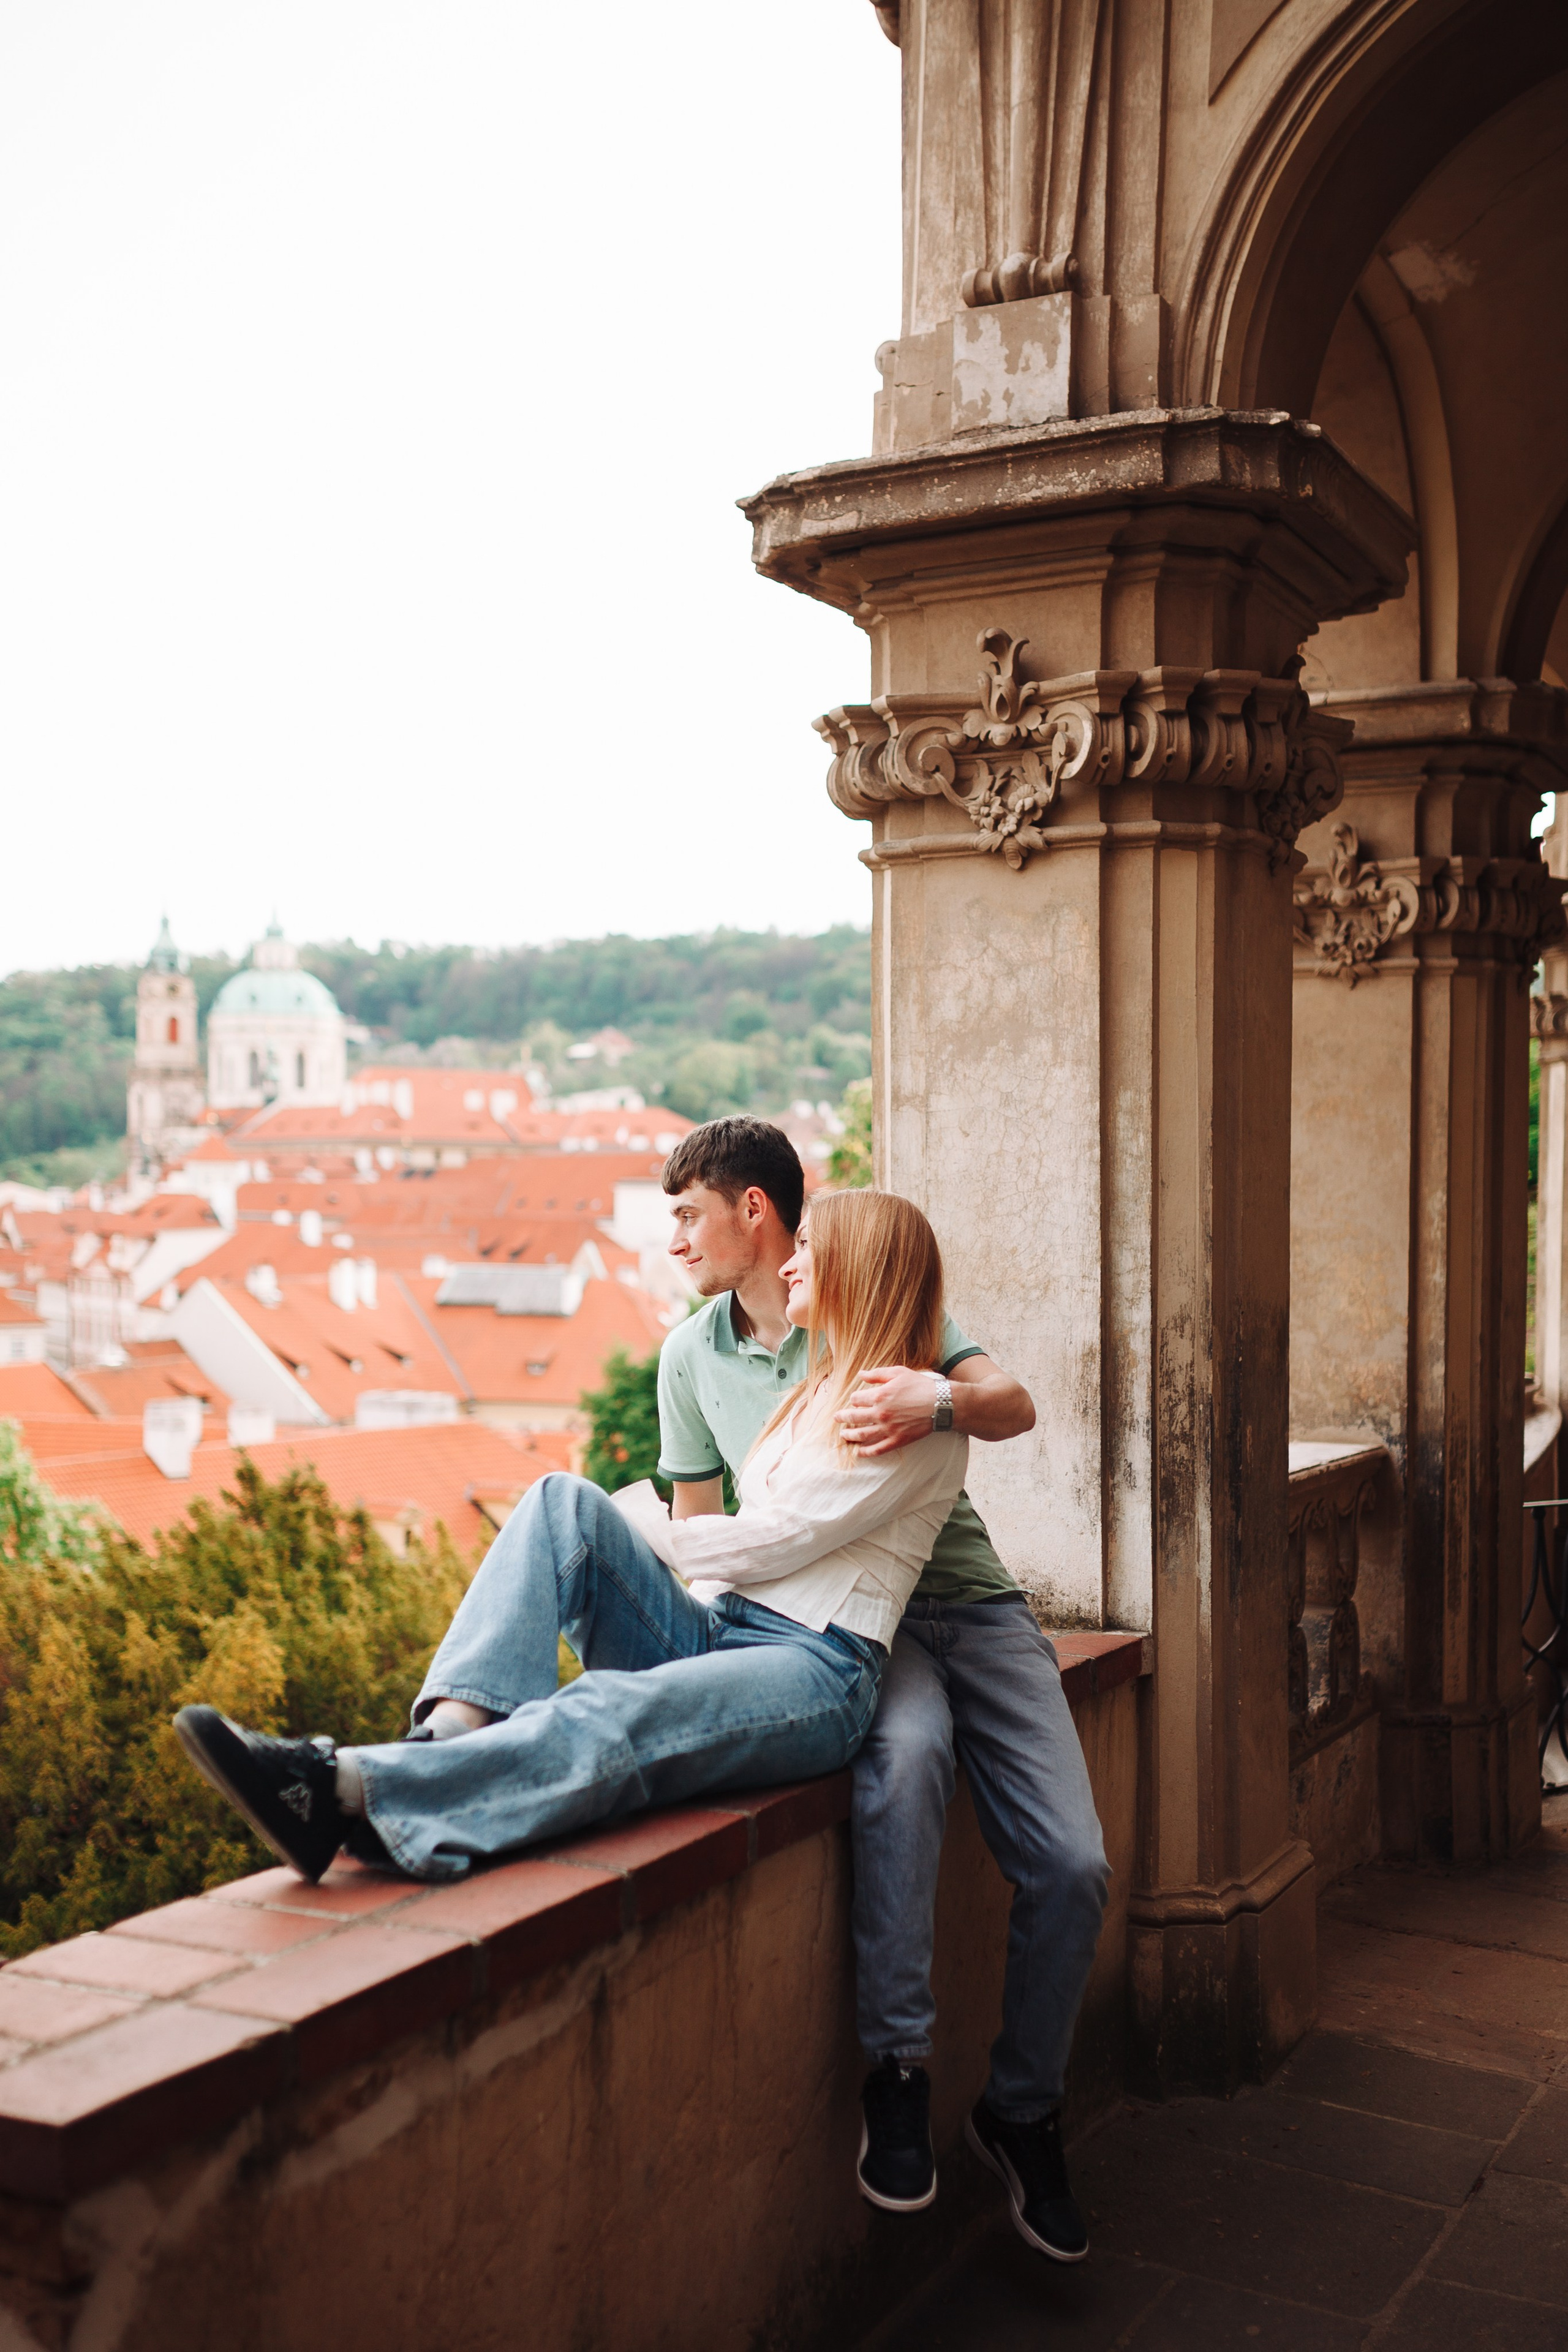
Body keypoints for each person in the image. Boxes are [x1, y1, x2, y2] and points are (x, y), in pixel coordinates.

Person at [172, 1185, 965, 1909]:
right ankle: (443, 1744)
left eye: (810, 1250)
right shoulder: (817, 1391)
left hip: (814, 1670)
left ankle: (336, 1787)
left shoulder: (909, 1421)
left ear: (863, 1269)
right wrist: (638, 1524)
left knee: (605, 1703)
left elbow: (760, 1546)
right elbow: (732, 1560)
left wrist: (646, 1518)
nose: (789, 1263)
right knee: (563, 1503)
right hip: (725, 1630)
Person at [658, 1119, 1106, 2264]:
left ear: (755, 1211)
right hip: (848, 1623)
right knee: (903, 1764)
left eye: (686, 1217)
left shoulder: (862, 1287)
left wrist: (932, 1402)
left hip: (968, 1601)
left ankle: (1021, 2108)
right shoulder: (689, 1359)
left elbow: (1012, 1405)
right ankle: (898, 2076)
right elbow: (703, 1536)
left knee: (1073, 1865)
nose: (673, 1243)